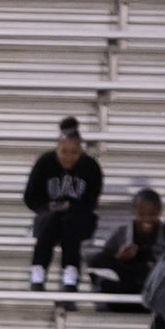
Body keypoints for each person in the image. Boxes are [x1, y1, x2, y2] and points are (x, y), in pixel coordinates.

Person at [22, 117, 103, 294]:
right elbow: (30, 196)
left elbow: (91, 200)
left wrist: (71, 206)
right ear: (57, 148)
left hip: (79, 217)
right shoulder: (45, 162)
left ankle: (70, 274)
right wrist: (47, 207)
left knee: (70, 222)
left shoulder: (90, 166)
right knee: (51, 220)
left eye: (74, 152)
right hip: (49, 217)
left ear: (81, 150)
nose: (68, 157)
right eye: (64, 152)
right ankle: (38, 272)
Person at [89, 187, 163, 310]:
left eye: (152, 214)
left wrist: (158, 265)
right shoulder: (121, 233)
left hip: (153, 286)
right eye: (141, 214)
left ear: (159, 212)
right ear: (134, 212)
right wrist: (119, 257)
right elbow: (103, 264)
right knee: (98, 260)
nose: (147, 219)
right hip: (127, 282)